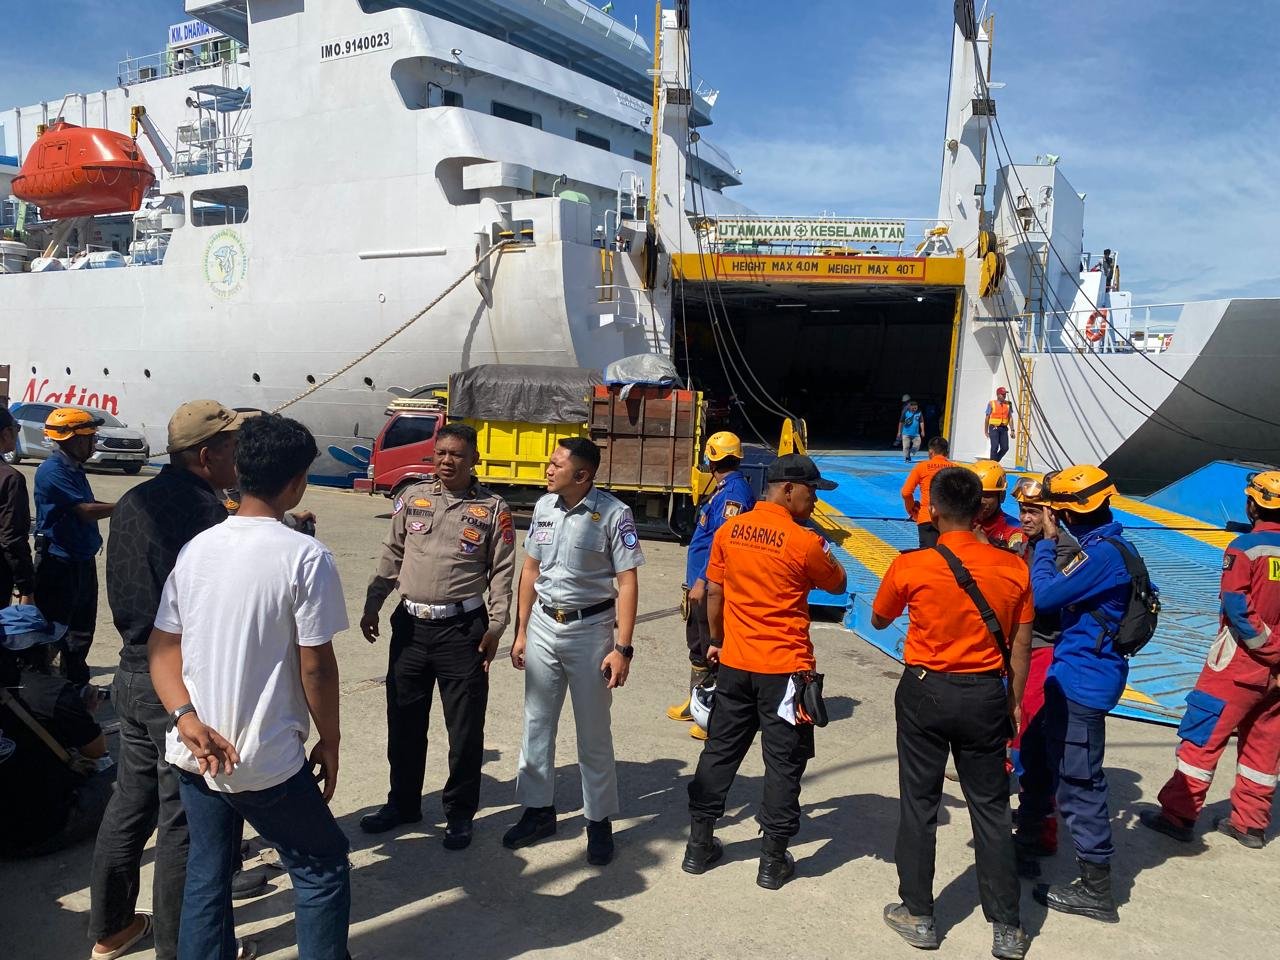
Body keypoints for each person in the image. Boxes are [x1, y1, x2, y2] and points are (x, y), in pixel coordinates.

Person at [149, 414, 351, 960]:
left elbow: (163, 650)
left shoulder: (199, 549)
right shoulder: (305, 557)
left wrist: (187, 720)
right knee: (321, 866)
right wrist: (329, 741)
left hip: (197, 751)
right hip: (262, 755)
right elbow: (317, 667)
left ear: (240, 470)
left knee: (207, 874)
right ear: (297, 481)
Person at [90, 400, 268, 960]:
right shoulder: (207, 514)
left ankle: (112, 928)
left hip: (132, 670)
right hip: (180, 681)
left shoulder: (133, 501)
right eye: (234, 449)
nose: (239, 459)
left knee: (129, 806)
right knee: (184, 824)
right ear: (205, 454)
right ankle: (182, 946)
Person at [872, 466, 1032, 959]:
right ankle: (1006, 927)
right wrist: (1014, 701)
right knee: (991, 808)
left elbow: (880, 617)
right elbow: (1021, 644)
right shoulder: (1014, 568)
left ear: (934, 510)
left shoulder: (912, 565)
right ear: (981, 507)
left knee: (919, 805)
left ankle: (919, 914)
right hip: (986, 694)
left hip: (925, 690)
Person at [682, 454, 846, 890]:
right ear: (787, 489)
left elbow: (714, 592)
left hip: (735, 662)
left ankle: (698, 846)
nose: (814, 501)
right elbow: (838, 582)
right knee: (783, 762)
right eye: (811, 491)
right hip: (786, 670)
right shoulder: (804, 540)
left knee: (719, 750)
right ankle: (772, 860)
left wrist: (716, 640)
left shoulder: (730, 531)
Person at [359, 422, 516, 847]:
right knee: (404, 720)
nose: (447, 462)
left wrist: (497, 626)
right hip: (410, 627)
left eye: (456, 455)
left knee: (464, 729)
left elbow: (502, 573)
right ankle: (403, 802)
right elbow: (392, 553)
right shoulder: (413, 497)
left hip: (462, 632)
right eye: (441, 454)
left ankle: (460, 812)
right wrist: (374, 601)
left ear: (474, 460)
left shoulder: (493, 509)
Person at [505, 438, 643, 866]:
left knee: (593, 732)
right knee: (536, 722)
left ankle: (598, 821)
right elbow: (530, 570)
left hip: (591, 632)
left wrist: (622, 648)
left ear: (581, 475)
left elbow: (627, 583)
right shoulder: (545, 508)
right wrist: (522, 630)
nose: (547, 470)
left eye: (555, 464)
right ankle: (537, 810)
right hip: (545, 625)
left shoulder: (614, 515)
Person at [1015, 464, 1137, 924]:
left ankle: (1096, 888)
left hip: (1084, 679)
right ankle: (1029, 835)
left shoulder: (1099, 554)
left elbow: (1043, 597)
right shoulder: (1104, 545)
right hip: (1075, 674)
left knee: (1081, 781)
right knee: (1041, 756)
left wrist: (1045, 545)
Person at [1140, 470, 1280, 850]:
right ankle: (1250, 824)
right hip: (1277, 678)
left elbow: (1237, 606)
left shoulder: (1244, 549)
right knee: (1264, 747)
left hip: (1239, 665)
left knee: (1202, 739)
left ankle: (1178, 816)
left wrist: (1268, 647)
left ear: (1253, 505)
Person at [0, 608, 112, 859]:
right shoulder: (53, 692)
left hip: (3, 830)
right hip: (44, 828)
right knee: (136, 778)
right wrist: (85, 713)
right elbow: (95, 750)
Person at [1007, 476, 1077, 870]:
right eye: (1022, 510)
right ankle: (1030, 813)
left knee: (1033, 741)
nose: (1025, 517)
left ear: (1053, 512)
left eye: (1033, 510)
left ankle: (1039, 833)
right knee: (1020, 735)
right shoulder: (1025, 545)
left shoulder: (1065, 550)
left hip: (1044, 651)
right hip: (1022, 648)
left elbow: (1044, 598)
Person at [668, 431, 755, 740]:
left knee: (713, 647)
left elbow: (725, 543)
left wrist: (704, 580)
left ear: (712, 458)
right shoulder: (721, 489)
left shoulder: (735, 494)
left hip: (710, 585)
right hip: (698, 584)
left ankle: (713, 714)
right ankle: (696, 702)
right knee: (697, 644)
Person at [33, 407, 115, 689]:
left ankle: (75, 686)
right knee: (55, 628)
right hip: (59, 563)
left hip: (80, 559)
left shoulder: (73, 469)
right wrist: (125, 506)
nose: (94, 444)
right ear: (73, 439)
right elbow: (85, 510)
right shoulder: (52, 471)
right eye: (90, 438)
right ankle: (43, 685)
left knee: (81, 629)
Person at [0, 408, 34, 605]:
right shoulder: (10, 478)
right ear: (6, 433)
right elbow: (11, 539)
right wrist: (26, 586)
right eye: (17, 428)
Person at [901, 437, 954, 549]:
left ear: (931, 452)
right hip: (950, 520)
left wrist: (912, 510)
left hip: (927, 517)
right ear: (947, 453)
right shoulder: (955, 469)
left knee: (927, 557)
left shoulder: (921, 467)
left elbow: (906, 493)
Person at [968, 460, 1025, 555]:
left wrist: (984, 544)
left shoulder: (1014, 530)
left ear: (1001, 496)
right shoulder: (960, 523)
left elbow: (1015, 565)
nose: (981, 501)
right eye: (976, 495)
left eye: (987, 495)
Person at [983, 388, 1014, 463]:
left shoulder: (1008, 404)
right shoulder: (991, 403)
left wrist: (1012, 430)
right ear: (998, 395)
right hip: (994, 428)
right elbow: (987, 418)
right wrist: (986, 431)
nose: (1004, 395)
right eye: (1002, 394)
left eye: (1005, 394)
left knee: (1005, 448)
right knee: (995, 447)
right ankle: (992, 464)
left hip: (1004, 428)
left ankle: (994, 462)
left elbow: (1010, 418)